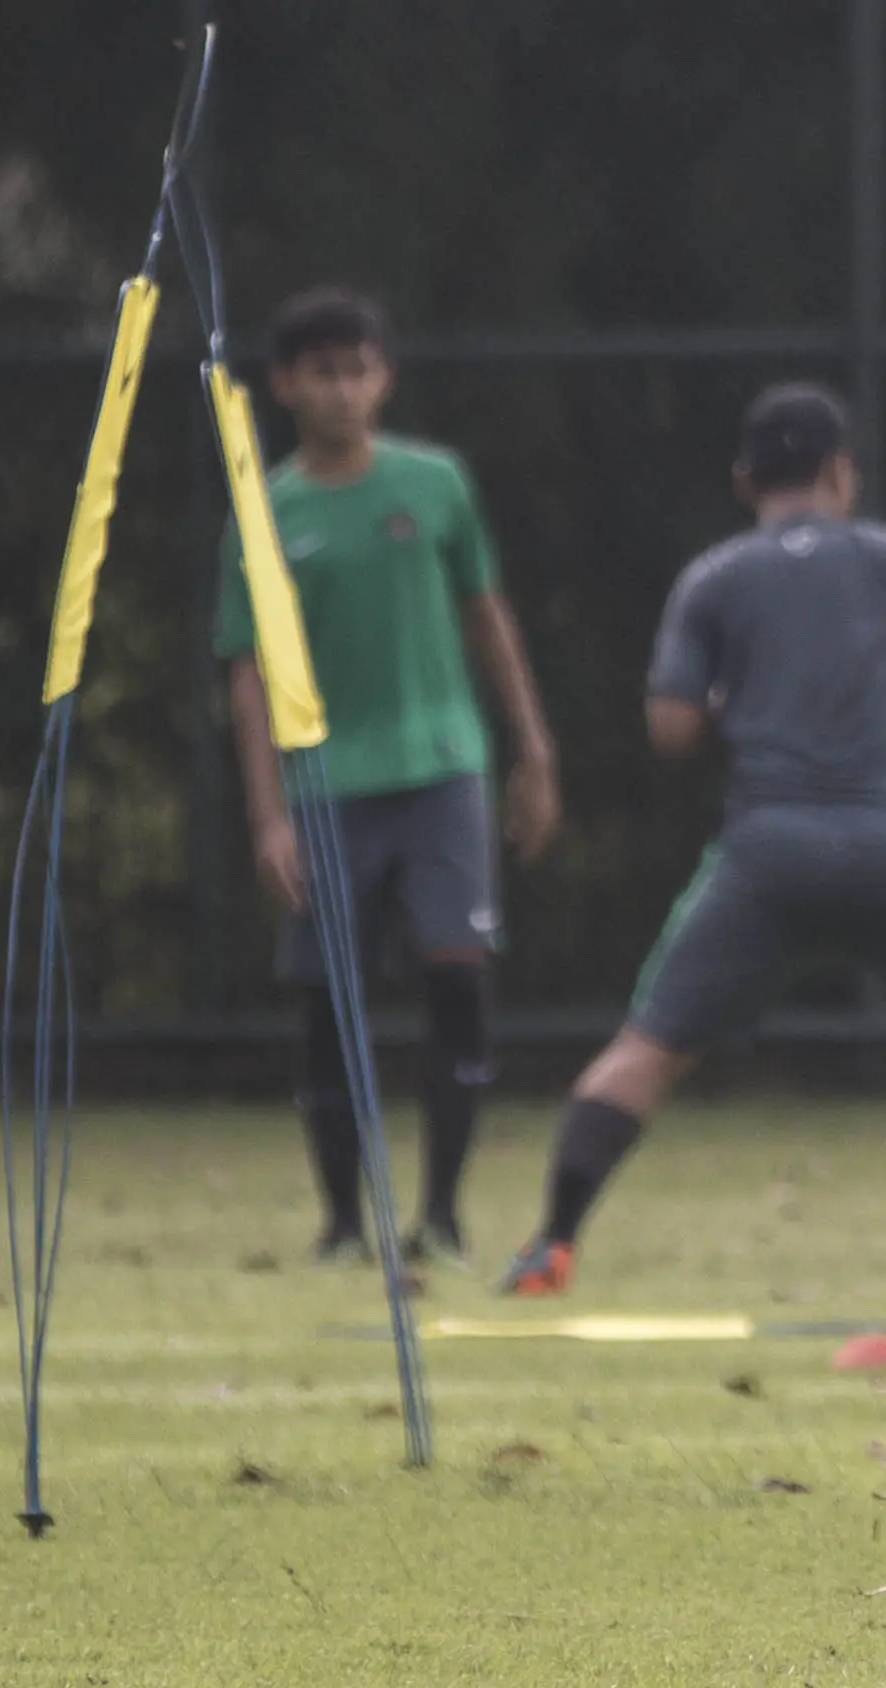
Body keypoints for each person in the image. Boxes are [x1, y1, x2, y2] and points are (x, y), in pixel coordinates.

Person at [494, 383, 886, 1297]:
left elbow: (669, 729)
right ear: (840, 472)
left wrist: (736, 715)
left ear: (746, 479)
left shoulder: (713, 577)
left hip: (768, 850)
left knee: (648, 1049)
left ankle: (552, 1245)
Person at [216, 287, 561, 1269]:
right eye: (322, 371)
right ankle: (340, 1223)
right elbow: (245, 672)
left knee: (458, 978)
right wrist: (267, 814)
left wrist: (533, 746)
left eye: (359, 368)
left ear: (385, 376)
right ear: (285, 385)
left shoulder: (437, 483)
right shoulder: (265, 513)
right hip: (326, 782)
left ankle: (443, 1216)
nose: (343, 389)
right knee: (331, 997)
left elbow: (488, 616)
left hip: (443, 767)